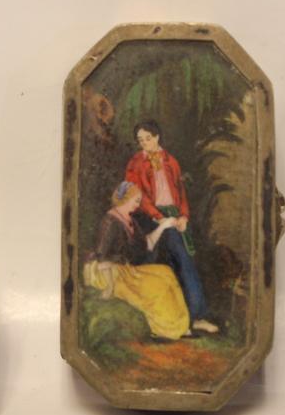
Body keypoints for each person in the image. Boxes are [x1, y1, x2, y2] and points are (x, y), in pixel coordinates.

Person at [124, 120, 216, 333]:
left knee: (184, 262)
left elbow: (180, 192)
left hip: (174, 217)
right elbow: (136, 194)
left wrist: (183, 216)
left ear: (157, 137)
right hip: (148, 217)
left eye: (148, 138)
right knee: (151, 265)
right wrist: (157, 217)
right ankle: (153, 320)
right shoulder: (135, 163)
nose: (144, 143)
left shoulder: (171, 161)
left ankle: (196, 316)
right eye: (140, 140)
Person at [83, 182, 190, 340]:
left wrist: (163, 226)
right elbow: (103, 256)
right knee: (157, 287)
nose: (138, 205)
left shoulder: (130, 220)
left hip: (123, 269)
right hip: (105, 272)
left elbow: (147, 244)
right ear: (126, 199)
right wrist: (110, 287)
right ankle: (165, 329)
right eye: (136, 201)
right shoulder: (110, 221)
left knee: (166, 273)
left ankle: (180, 325)